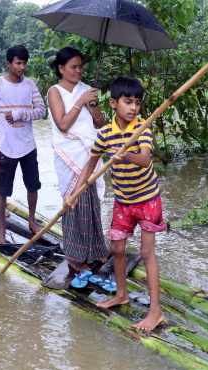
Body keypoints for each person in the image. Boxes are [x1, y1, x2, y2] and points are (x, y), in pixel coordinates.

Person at [67, 77, 166, 331]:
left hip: (147, 200)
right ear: (113, 103)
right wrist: (75, 193)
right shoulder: (105, 134)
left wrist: (126, 153)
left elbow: (144, 160)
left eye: (137, 103)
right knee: (117, 248)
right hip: (123, 202)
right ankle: (121, 294)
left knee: (146, 253)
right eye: (128, 102)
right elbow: (89, 166)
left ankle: (156, 311)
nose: (133, 108)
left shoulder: (142, 127)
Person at [47, 47, 110, 272]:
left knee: (91, 202)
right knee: (73, 203)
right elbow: (63, 124)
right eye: (73, 67)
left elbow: (102, 125)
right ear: (61, 69)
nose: (78, 71)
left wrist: (93, 108)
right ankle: (75, 256)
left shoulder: (87, 91)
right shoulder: (54, 91)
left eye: (81, 66)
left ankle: (95, 250)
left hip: (90, 153)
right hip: (68, 155)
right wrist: (80, 100)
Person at [0, 44, 46, 244]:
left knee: (33, 185)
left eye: (24, 63)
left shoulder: (30, 85)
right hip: (6, 147)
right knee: (2, 190)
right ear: (8, 64)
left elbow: (41, 112)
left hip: (28, 145)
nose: (22, 67)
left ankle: (32, 221)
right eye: (18, 63)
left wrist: (20, 114)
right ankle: (1, 232)